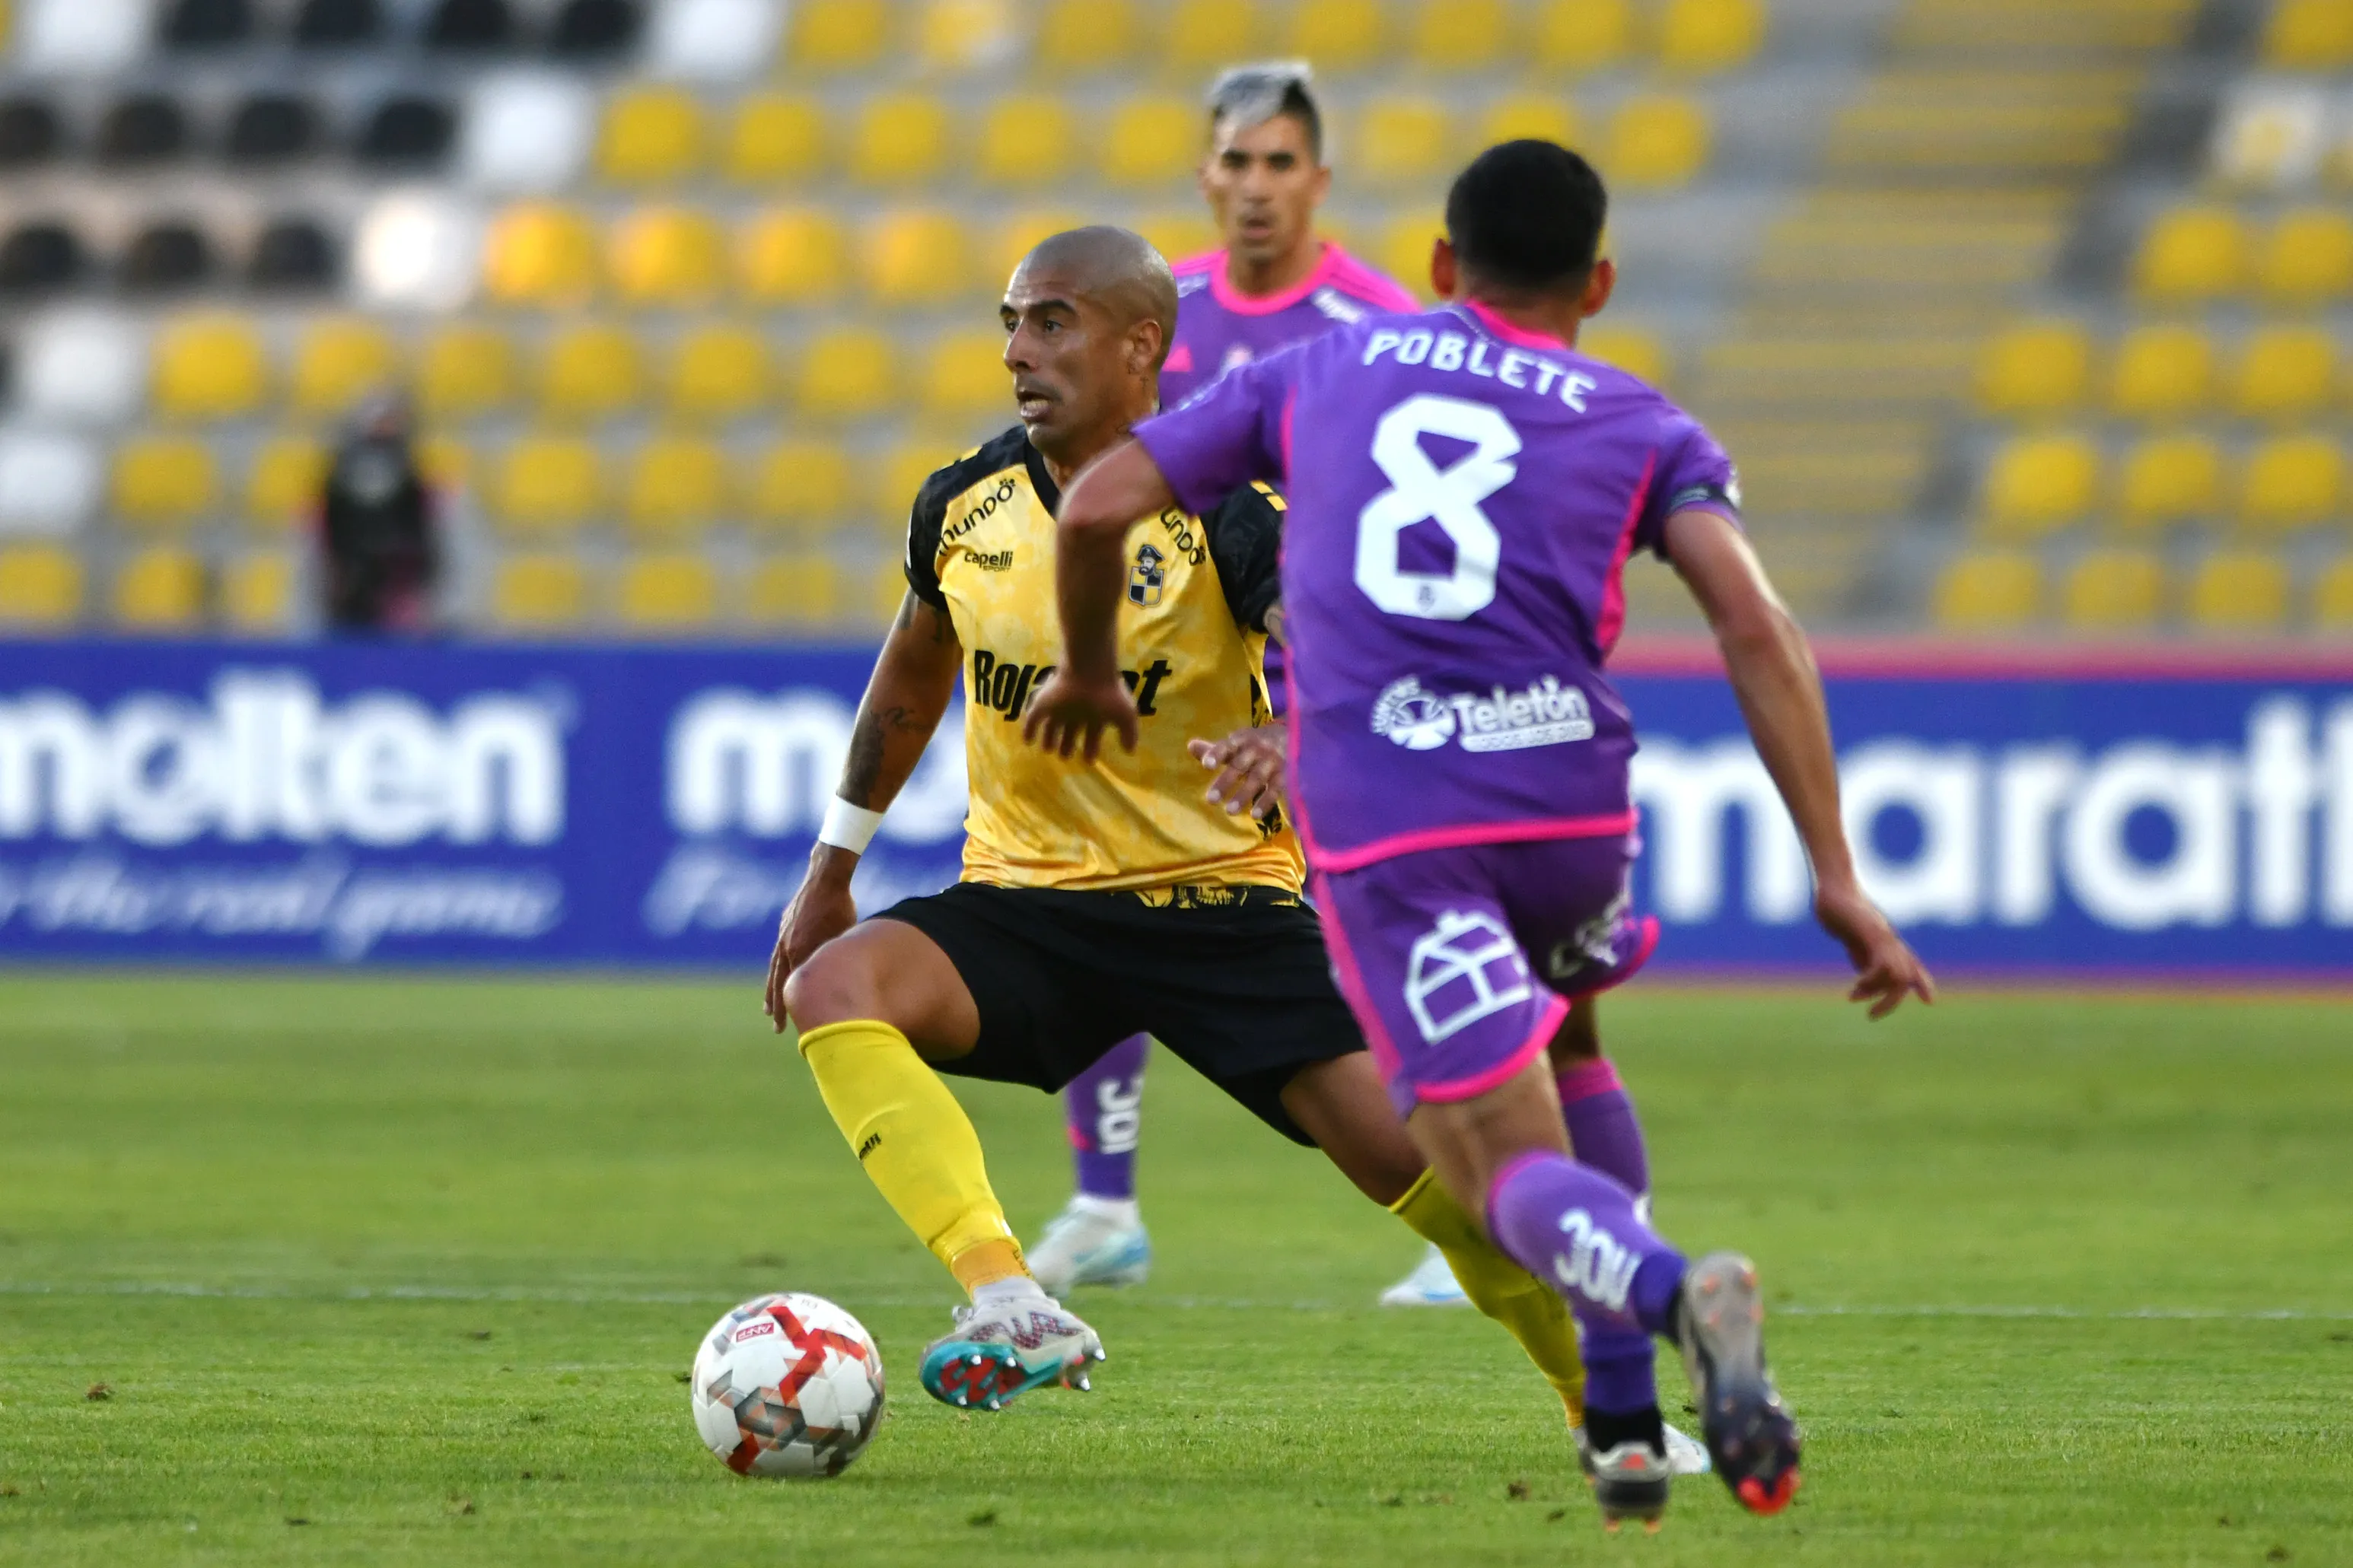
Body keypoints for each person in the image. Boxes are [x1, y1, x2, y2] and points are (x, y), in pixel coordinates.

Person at [1025, 144, 1937, 1527]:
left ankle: (1669, 1299)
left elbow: (1094, 506)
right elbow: (1757, 624)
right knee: (1566, 1044)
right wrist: (1838, 877)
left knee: (1493, 1165)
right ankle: (1624, 1421)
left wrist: (1091, 672)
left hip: (1399, 832)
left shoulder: (1320, 373)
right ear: (1600, 281)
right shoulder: (1646, 421)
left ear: (1443, 270)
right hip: (1571, 812)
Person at [766, 227, 1597, 1442]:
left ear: (1140, 345)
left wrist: (1296, 739)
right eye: (1010, 321)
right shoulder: (963, 504)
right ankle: (1011, 1300)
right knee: (835, 986)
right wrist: (830, 866)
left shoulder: (1227, 505)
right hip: (1032, 908)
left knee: (1446, 1192)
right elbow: (913, 666)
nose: (1016, 351)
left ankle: (1605, 1406)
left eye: (1051, 322)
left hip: (1224, 908)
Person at [1032, 60, 1446, 1308]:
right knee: (1095, 903)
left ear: (1318, 180)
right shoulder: (1152, 314)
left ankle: (1462, 1209)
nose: (1257, 188)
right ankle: (1103, 1204)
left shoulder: (1375, 328)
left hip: (1333, 681)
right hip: (1167, 688)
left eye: (1281, 164)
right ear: (1205, 175)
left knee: (1384, 940)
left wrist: (1327, 703)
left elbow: (1405, 533)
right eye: (1236, 162)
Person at [317, 391, 438, 633]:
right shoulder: (345, 461)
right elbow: (333, 511)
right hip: (353, 558)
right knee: (350, 622)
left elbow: (417, 512)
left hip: (396, 561)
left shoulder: (407, 460)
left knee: (397, 625)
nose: (386, 426)